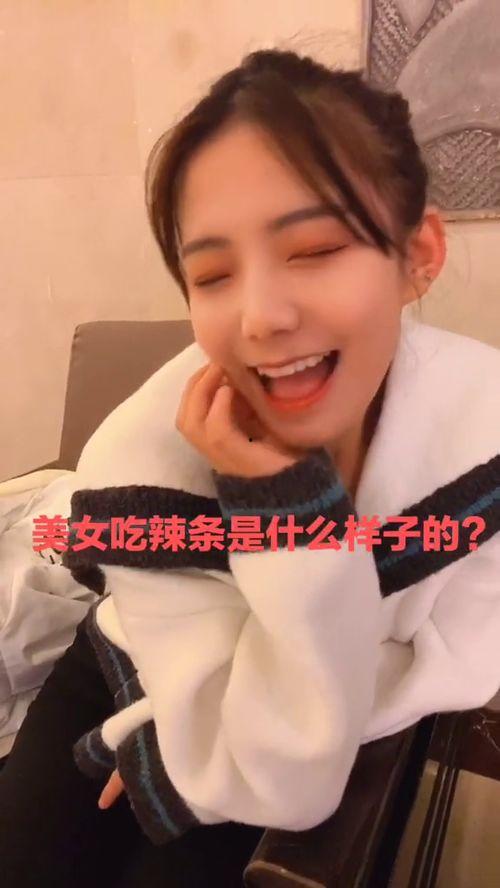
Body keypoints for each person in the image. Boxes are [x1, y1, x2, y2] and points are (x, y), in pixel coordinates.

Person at [1, 47, 499, 887]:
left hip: (306, 718)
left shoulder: (479, 435)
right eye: (213, 273)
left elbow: (445, 665)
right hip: (138, 656)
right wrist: (208, 730)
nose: (261, 316)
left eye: (314, 249)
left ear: (418, 253)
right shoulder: (140, 465)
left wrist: (287, 510)